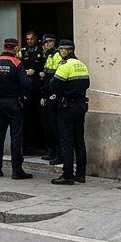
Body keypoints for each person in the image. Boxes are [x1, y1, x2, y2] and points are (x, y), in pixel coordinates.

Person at [0, 38, 32, 180]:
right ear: (15, 48)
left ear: (4, 47)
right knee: (16, 137)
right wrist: (29, 78)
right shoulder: (16, 63)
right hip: (13, 103)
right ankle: (17, 171)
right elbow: (26, 83)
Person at [48, 40, 91, 185]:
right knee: (79, 140)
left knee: (66, 142)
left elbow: (53, 85)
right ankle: (81, 174)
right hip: (80, 105)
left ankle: (67, 175)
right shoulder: (82, 65)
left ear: (66, 51)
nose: (60, 52)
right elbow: (87, 84)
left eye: (60, 50)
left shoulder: (65, 66)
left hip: (67, 107)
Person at [19, 31, 46, 156]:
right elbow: (18, 67)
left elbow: (45, 69)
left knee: (41, 117)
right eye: (27, 39)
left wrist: (36, 73)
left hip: (38, 88)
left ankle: (44, 146)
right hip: (26, 89)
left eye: (31, 39)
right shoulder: (23, 51)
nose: (29, 41)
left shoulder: (42, 51)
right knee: (26, 118)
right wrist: (25, 71)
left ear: (36, 39)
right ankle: (26, 147)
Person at [40, 34, 61, 163]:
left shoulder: (57, 55)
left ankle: (59, 154)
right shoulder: (49, 56)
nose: (46, 44)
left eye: (49, 42)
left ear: (54, 42)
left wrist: (53, 94)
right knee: (48, 125)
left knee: (55, 126)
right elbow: (46, 76)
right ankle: (52, 151)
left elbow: (56, 77)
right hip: (48, 94)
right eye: (45, 42)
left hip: (54, 95)